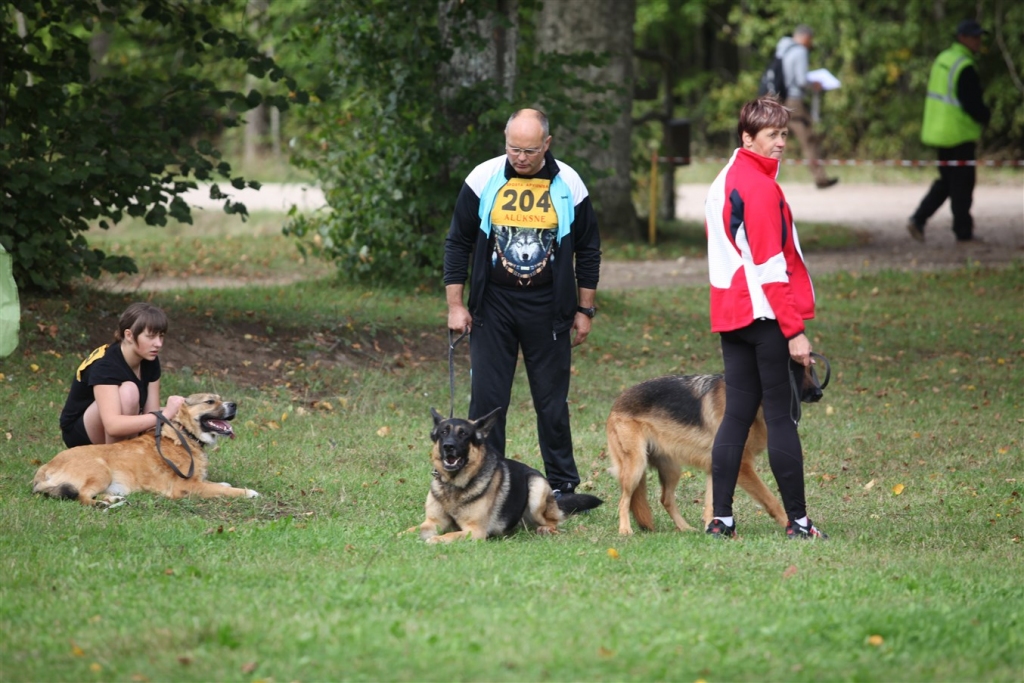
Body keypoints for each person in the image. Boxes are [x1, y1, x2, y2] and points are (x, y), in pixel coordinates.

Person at [443, 108, 601, 496]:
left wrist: (584, 309)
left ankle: (562, 484)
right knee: (487, 401)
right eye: (514, 148)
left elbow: (588, 249)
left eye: (530, 150)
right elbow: (457, 242)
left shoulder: (569, 183)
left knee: (551, 402)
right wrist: (456, 305)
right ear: (505, 139)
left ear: (547, 144)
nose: (521, 157)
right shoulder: (483, 178)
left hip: (548, 307)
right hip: (492, 305)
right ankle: (484, 481)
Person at [703, 96, 827, 540]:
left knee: (736, 415)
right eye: (772, 135)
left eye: (783, 134)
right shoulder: (756, 186)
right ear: (747, 137)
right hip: (764, 314)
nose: (780, 143)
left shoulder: (725, 178)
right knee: (780, 419)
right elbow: (771, 265)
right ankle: (799, 522)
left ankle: (722, 519)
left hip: (731, 312)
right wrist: (794, 332)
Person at [907, 19, 991, 244]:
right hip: (958, 133)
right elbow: (971, 102)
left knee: (947, 181)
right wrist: (986, 117)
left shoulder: (943, 59)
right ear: (962, 38)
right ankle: (963, 232)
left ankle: (918, 219)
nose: (978, 41)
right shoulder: (964, 65)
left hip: (939, 132)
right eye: (974, 37)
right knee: (962, 184)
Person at [59, 302, 184, 448]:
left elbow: (151, 414)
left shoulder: (149, 359)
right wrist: (165, 414)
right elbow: (113, 426)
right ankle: (116, 463)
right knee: (129, 391)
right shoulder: (106, 365)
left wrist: (175, 412)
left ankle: (130, 457)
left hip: (118, 424)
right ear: (129, 335)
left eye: (161, 336)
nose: (158, 344)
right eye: (151, 337)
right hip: (81, 434)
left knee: (174, 410)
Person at [775, 25, 837, 189]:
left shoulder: (783, 49)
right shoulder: (800, 51)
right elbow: (801, 80)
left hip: (780, 99)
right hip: (795, 101)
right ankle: (820, 178)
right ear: (805, 37)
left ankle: (764, 176)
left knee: (774, 139)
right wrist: (815, 84)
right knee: (809, 138)